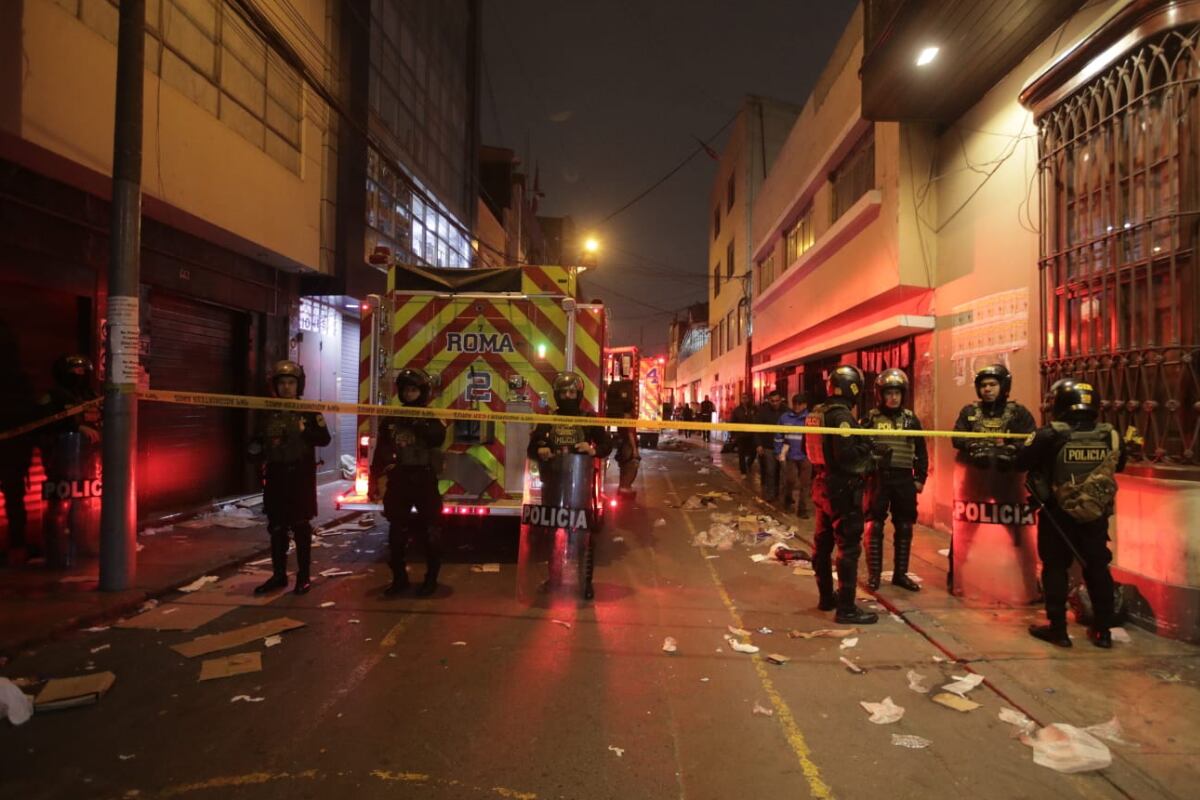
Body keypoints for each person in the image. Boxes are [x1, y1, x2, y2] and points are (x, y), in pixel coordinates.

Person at [1018, 379, 1126, 649]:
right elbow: (1120, 465)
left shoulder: (1049, 434)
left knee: (1055, 568)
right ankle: (1103, 632)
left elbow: (1020, 462)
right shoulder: (1109, 435)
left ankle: (1058, 630)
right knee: (1097, 568)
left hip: (1057, 514)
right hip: (1095, 515)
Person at [949, 363, 1037, 592]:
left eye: (993, 385)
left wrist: (1011, 448)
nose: (987, 389)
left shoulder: (1018, 413)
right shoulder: (969, 412)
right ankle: (956, 580)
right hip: (974, 480)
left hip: (1008, 482)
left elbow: (1031, 439)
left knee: (1020, 534)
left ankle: (1030, 583)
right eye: (983, 385)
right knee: (963, 532)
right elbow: (956, 437)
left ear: (1004, 386)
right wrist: (973, 446)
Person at [247, 360, 330, 595]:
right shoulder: (267, 412)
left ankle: (303, 576)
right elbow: (256, 443)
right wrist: (254, 451)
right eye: (282, 383)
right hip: (276, 475)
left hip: (300, 477)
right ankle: (279, 575)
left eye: (291, 383)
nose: (286, 387)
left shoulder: (309, 412)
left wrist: (306, 431)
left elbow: (324, 439)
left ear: (298, 385)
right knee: (277, 528)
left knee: (301, 527)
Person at [528, 372, 611, 600]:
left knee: (583, 536)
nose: (567, 396)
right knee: (552, 534)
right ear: (557, 394)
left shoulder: (588, 419)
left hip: (580, 487)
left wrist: (592, 449)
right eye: (563, 392)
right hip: (553, 486)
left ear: (579, 394)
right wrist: (540, 450)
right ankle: (553, 578)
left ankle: (585, 582)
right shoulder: (548, 419)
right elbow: (531, 448)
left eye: (572, 392)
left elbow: (606, 445)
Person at [805, 366, 877, 624]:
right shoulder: (841, 416)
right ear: (853, 388)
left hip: (821, 484)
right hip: (841, 489)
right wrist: (867, 447)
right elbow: (845, 456)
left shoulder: (816, 413)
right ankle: (846, 608)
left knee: (822, 545)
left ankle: (826, 598)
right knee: (848, 547)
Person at [371, 368, 448, 596]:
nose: (409, 394)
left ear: (422, 392)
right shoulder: (392, 418)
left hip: (424, 478)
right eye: (406, 390)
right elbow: (381, 450)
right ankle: (399, 579)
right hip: (400, 479)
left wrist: (418, 422)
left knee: (431, 534)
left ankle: (431, 580)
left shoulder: (431, 417)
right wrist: (376, 479)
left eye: (414, 390)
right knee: (396, 534)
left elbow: (438, 438)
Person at [861, 369, 928, 591]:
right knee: (873, 525)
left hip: (904, 478)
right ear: (880, 395)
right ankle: (874, 576)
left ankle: (900, 575)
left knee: (905, 525)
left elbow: (921, 450)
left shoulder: (911, 419)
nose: (893, 397)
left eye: (897, 393)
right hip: (878, 478)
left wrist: (920, 478)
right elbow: (860, 448)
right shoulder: (870, 419)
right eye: (889, 393)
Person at [38, 355, 102, 568]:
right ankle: (58, 551)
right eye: (75, 371)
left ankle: (84, 544)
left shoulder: (89, 394)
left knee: (85, 505)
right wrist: (75, 427)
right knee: (60, 505)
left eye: (83, 371)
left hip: (89, 461)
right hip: (62, 459)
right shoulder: (52, 396)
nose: (80, 375)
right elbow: (44, 422)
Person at [0, 359, 37, 565]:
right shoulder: (21, 387)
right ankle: (17, 546)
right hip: (15, 453)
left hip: (14, 453)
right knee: (15, 501)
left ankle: (17, 546)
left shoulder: (18, 388)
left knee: (15, 500)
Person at [776, 393, 812, 518]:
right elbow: (779, 435)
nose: (796, 406)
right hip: (790, 455)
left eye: (799, 404)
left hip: (806, 456)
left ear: (805, 405)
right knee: (790, 480)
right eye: (795, 403)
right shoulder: (785, 418)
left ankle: (802, 509)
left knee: (805, 484)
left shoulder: (810, 419)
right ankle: (787, 500)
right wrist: (778, 451)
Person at [755, 389, 785, 502]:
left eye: (777, 400)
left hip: (783, 447)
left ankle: (782, 494)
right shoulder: (763, 412)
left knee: (783, 472)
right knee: (770, 471)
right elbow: (756, 428)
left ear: (781, 400)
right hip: (768, 446)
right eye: (772, 401)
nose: (775, 403)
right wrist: (759, 444)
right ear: (769, 401)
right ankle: (771, 494)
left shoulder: (786, 411)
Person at [730, 393, 757, 476]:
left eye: (746, 398)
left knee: (753, 452)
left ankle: (749, 463)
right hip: (741, 435)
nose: (745, 400)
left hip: (752, 435)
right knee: (741, 454)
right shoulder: (737, 410)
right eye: (743, 398)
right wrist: (733, 435)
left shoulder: (754, 409)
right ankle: (743, 471)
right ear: (741, 399)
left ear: (749, 399)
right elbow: (732, 423)